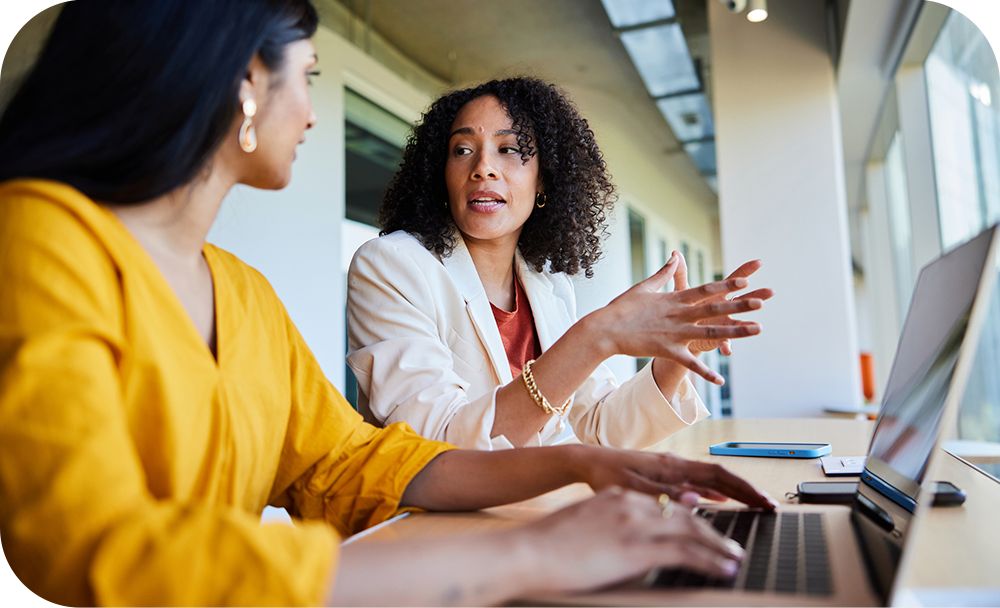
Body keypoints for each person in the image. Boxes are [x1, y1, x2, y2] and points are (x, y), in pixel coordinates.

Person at [0, 2, 775, 605]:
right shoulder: (39, 236)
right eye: (306, 76)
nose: (310, 111)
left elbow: (349, 462)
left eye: (510, 152)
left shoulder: (241, 291)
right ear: (244, 83)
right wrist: (524, 552)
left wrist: (581, 461)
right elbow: (93, 545)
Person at [347, 77, 772, 449]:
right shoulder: (392, 265)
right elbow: (436, 441)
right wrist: (594, 337)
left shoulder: (547, 287)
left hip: (537, 520)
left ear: (544, 179)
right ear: (440, 174)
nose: (483, 168)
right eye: (462, 150)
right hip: (431, 531)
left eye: (509, 149)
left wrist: (676, 358)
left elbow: (600, 429)